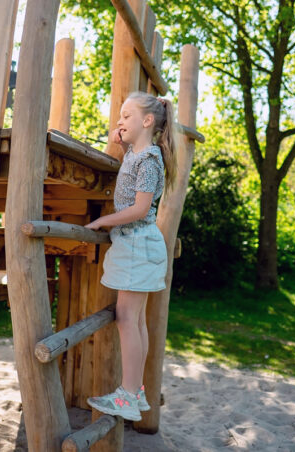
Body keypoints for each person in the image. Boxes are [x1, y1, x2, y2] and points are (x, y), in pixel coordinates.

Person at [84, 91, 177, 422]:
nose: (119, 121)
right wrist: (123, 147)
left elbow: (139, 208)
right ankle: (135, 392)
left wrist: (103, 220)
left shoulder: (150, 159)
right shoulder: (138, 155)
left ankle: (127, 395)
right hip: (136, 244)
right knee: (133, 319)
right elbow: (132, 184)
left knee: (127, 318)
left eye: (126, 115)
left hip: (138, 244)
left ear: (147, 121)